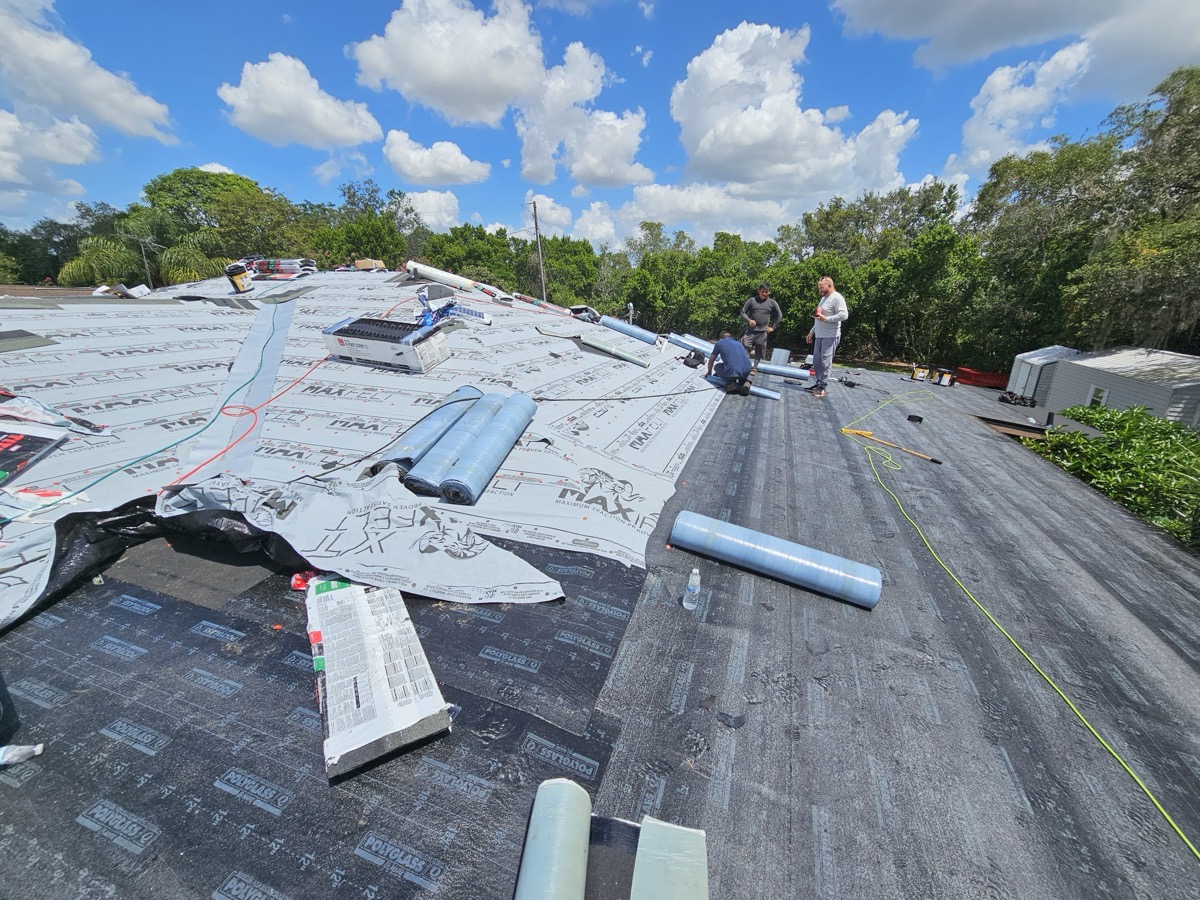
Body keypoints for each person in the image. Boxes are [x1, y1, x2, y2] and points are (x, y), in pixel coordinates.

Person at [804, 276, 849, 398]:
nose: (820, 291)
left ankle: (822, 387)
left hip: (830, 336)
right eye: (819, 288)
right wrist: (811, 332)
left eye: (822, 288)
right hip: (819, 335)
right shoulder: (823, 299)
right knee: (817, 361)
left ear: (829, 285)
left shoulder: (837, 298)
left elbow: (844, 315)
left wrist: (827, 319)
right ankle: (818, 383)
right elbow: (819, 318)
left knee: (825, 361)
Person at [740, 282, 782, 373]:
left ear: (769, 292)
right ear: (759, 291)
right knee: (745, 347)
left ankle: (754, 368)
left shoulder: (772, 302)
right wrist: (749, 320)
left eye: (766, 292)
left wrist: (773, 327)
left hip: (763, 332)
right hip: (750, 331)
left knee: (759, 350)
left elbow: (779, 315)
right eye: (763, 291)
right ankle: (745, 366)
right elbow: (742, 312)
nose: (764, 294)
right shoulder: (752, 300)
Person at [706, 331, 754, 395]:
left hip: (734, 372)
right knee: (737, 368)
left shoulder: (720, 343)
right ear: (730, 337)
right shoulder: (739, 343)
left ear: (721, 338)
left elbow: (711, 360)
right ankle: (745, 382)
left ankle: (732, 384)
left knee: (717, 367)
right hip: (747, 371)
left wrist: (709, 372)